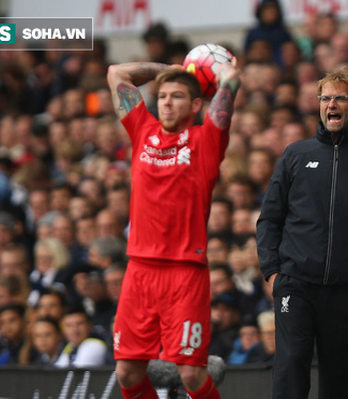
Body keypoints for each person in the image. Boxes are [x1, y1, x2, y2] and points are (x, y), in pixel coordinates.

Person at [257, 68, 348, 399]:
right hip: (296, 284)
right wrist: (273, 272)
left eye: (340, 98)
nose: (331, 104)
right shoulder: (295, 155)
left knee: (338, 379)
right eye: (325, 98)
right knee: (291, 365)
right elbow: (269, 218)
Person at [106, 54, 240, 399]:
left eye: (177, 96)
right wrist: (166, 71)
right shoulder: (142, 129)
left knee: (192, 375)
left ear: (196, 104)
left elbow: (227, 94)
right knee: (127, 371)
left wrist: (227, 77)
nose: (166, 102)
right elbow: (116, 72)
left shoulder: (205, 141)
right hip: (139, 269)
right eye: (163, 95)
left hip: (184, 272)